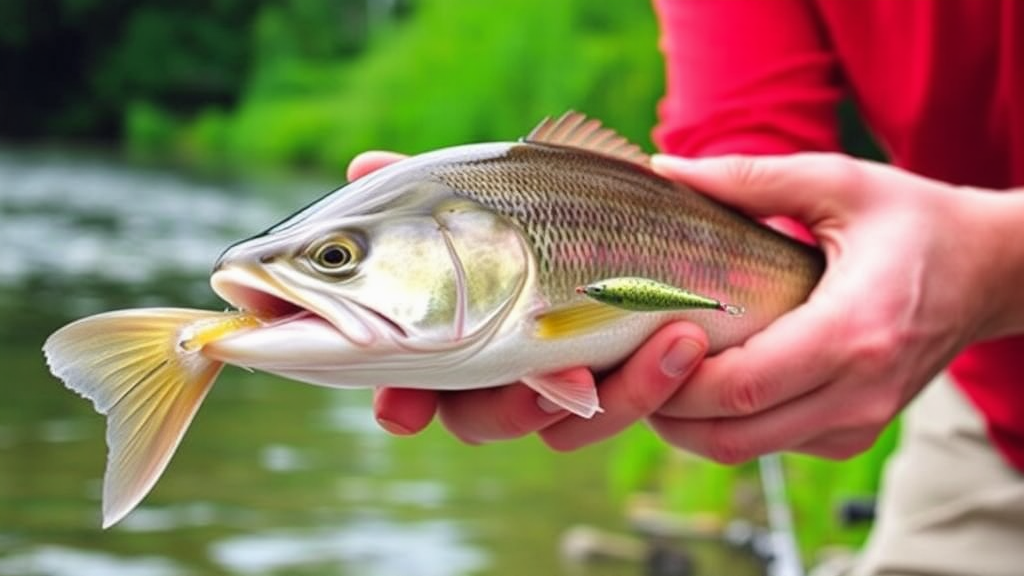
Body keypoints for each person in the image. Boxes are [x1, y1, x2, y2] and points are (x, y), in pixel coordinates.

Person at [352, 1, 1024, 574]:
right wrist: (799, 303)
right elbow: (748, 146)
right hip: (995, 399)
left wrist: (992, 266)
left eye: (335, 259)